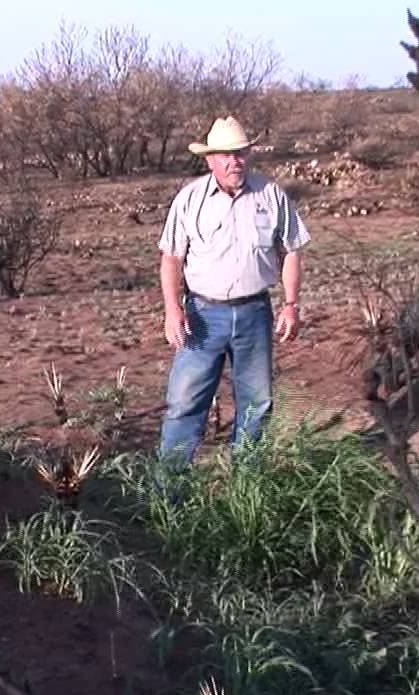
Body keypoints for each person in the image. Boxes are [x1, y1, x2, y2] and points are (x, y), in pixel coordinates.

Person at [156, 116, 311, 468]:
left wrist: (290, 305)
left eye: (239, 153)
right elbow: (170, 259)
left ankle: (248, 489)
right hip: (202, 316)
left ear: (248, 155)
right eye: (225, 154)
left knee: (257, 403)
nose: (233, 161)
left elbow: (292, 251)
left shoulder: (270, 195)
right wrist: (172, 310)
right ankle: (170, 494)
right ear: (209, 159)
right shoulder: (189, 199)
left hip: (255, 313)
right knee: (185, 402)